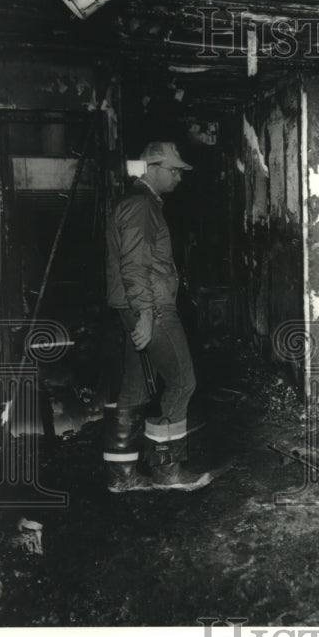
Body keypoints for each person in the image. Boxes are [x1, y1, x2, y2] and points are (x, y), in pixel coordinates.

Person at [102, 141, 212, 492]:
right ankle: (167, 469)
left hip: (132, 306)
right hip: (152, 307)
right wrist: (147, 314)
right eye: (174, 170)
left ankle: (121, 476)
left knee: (134, 388)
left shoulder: (138, 201)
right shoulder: (141, 205)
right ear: (152, 168)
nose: (179, 176)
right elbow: (135, 266)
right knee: (182, 382)